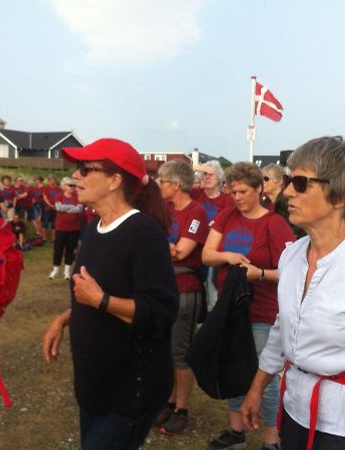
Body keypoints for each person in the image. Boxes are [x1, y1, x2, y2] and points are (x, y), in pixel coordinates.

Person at [42, 138, 179, 450]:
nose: (76, 176)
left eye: (86, 169)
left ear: (116, 180)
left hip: (129, 389)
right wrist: (64, 320)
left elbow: (162, 311)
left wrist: (101, 301)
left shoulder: (143, 232)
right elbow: (89, 292)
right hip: (96, 386)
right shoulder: (94, 228)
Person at [241, 137, 345, 450]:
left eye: (299, 183)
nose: (287, 192)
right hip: (294, 406)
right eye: (288, 180)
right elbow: (282, 327)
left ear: (339, 195)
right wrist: (257, 388)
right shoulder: (292, 254)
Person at [202, 161, 295, 450]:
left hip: (261, 312)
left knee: (262, 376)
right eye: (234, 192)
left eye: (243, 191)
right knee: (229, 367)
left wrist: (261, 274)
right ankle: (236, 430)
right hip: (230, 309)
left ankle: (271, 438)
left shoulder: (275, 224)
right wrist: (227, 256)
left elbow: (292, 273)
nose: (237, 198)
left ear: (259, 189)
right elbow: (207, 255)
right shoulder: (227, 215)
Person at [155, 159, 208, 435]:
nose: (159, 186)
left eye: (162, 181)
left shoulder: (195, 211)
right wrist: (168, 246)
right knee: (167, 349)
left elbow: (183, 251)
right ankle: (170, 400)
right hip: (166, 287)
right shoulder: (166, 210)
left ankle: (182, 409)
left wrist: (165, 245)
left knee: (180, 352)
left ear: (175, 184)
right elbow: (162, 246)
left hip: (185, 289)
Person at [193, 160, 235, 311]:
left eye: (211, 174)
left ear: (219, 178)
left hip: (215, 250)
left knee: (212, 288)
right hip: (194, 248)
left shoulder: (227, 200)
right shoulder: (195, 193)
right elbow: (180, 177)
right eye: (204, 174)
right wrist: (197, 168)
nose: (207, 177)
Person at [48, 177, 83, 280]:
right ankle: (55, 270)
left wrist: (66, 207)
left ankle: (67, 271)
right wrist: (71, 206)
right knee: (58, 249)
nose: (72, 187)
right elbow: (58, 208)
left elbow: (79, 209)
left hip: (74, 228)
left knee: (70, 250)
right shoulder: (59, 196)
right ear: (64, 186)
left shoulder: (77, 196)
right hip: (61, 228)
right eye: (70, 185)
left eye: (74, 185)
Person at [42, 175, 61, 242]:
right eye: (50, 180)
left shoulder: (58, 189)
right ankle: (44, 237)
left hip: (56, 208)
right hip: (48, 208)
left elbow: (60, 198)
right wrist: (50, 205)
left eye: (53, 180)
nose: (52, 181)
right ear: (49, 180)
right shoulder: (46, 188)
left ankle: (54, 238)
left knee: (54, 223)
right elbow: (45, 197)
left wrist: (57, 206)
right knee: (45, 223)